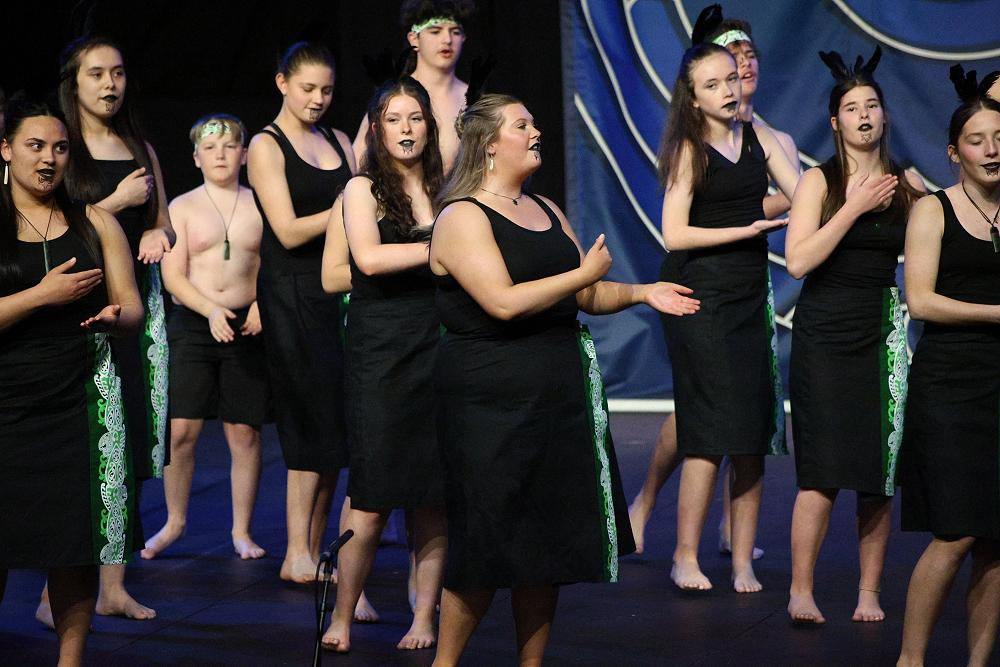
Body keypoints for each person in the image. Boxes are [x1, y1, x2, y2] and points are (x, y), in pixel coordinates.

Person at [428, 93, 700, 666]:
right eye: (521, 125)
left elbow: (588, 293)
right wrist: (581, 275)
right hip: (490, 399)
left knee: (543, 544)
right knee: (488, 540)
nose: (536, 132)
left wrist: (642, 291)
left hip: (555, 395)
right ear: (488, 144)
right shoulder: (461, 217)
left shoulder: (545, 208)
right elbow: (502, 302)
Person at [628, 6, 799, 559]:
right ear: (694, 93)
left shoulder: (764, 138)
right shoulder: (689, 146)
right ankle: (667, 528)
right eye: (718, 76)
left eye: (739, 68)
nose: (734, 79)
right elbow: (677, 232)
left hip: (746, 286)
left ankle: (734, 542)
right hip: (699, 288)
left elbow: (798, 198)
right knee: (703, 416)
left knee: (744, 417)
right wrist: (742, 227)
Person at [0, 96, 143, 667]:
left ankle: (71, 659)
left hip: (78, 402)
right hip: (7, 403)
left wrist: (116, 317)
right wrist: (40, 296)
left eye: (59, 148)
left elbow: (132, 307)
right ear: (6, 149)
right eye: (35, 146)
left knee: (76, 543)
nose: (48, 159)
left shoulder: (95, 222)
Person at [784, 46, 924, 624]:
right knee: (820, 472)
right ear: (834, 122)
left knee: (877, 475)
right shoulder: (818, 182)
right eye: (852, 107)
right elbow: (798, 262)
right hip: (824, 334)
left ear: (884, 116)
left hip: (879, 333)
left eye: (872, 105)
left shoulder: (906, 183)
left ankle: (869, 592)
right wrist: (853, 207)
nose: (863, 115)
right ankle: (801, 590)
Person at [49, 35, 174, 624]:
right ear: (73, 82)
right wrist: (117, 203)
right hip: (80, 302)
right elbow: (53, 223)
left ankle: (114, 586)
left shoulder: (139, 147)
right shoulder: (62, 148)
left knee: (132, 441)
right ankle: (55, 593)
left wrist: (156, 232)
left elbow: (165, 222)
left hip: (135, 308)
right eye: (96, 73)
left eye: (118, 73)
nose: (109, 84)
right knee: (86, 444)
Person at [321, 77, 446, 653]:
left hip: (438, 344)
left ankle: (424, 616)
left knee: (434, 495)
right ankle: (343, 614)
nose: (406, 128)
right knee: (371, 495)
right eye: (394, 119)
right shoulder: (361, 188)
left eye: (415, 117)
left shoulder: (448, 188)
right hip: (381, 352)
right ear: (376, 128)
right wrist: (440, 248)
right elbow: (367, 260)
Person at [896, 66, 1000, 667]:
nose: (992, 150)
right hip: (951, 386)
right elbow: (921, 301)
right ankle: (911, 660)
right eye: (977, 141)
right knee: (956, 532)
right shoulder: (933, 211)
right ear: (955, 152)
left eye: (999, 138)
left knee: (996, 541)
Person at [246, 41, 357, 585]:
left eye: (327, 90)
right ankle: (295, 550)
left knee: (336, 423)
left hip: (338, 289)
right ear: (282, 83)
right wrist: (346, 207)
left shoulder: (340, 140)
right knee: (308, 419)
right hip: (291, 293)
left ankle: (314, 549)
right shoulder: (265, 145)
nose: (317, 99)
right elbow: (287, 231)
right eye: (308, 88)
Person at [142, 114, 269, 562]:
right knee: (181, 431)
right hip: (195, 322)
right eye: (210, 148)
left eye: (230, 146)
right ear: (196, 157)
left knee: (244, 431)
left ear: (244, 154)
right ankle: (174, 521)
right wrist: (210, 309)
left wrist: (263, 304)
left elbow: (273, 264)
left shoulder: (259, 204)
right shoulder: (182, 207)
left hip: (247, 324)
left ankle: (241, 531)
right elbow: (173, 277)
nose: (220, 155)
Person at [353, 0, 475, 173]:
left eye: (455, 32)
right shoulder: (394, 94)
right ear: (414, 39)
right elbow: (358, 162)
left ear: (463, 38)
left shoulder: (474, 98)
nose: (447, 40)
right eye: (435, 31)